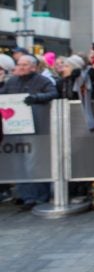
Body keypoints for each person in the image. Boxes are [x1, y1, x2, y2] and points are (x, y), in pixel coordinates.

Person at [0, 54, 59, 210]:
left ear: (33, 67)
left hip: (35, 129)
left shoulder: (42, 81)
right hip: (14, 129)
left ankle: (40, 196)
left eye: (25, 64)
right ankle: (26, 197)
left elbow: (53, 94)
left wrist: (36, 98)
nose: (21, 67)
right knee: (18, 164)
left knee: (35, 163)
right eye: (19, 64)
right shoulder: (12, 81)